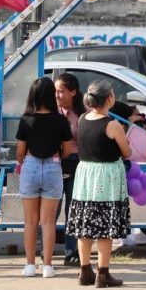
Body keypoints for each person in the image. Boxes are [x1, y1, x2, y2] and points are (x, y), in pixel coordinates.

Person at [66, 80, 132, 288]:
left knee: (85, 225)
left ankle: (85, 270)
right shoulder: (112, 124)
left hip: (85, 175)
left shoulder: (84, 118)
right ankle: (103, 274)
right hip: (106, 176)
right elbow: (127, 152)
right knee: (105, 226)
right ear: (109, 98)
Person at [16, 77, 73, 278]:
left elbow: (20, 152)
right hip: (53, 166)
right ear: (50, 95)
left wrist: (26, 158)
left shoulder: (26, 119)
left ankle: (30, 265)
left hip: (30, 166)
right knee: (48, 222)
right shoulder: (60, 120)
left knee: (30, 221)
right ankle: (47, 266)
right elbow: (67, 150)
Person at [55, 73, 85, 266]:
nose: (57, 95)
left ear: (73, 92)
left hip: (78, 163)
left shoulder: (83, 113)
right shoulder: (53, 113)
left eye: (61, 91)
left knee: (73, 208)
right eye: (55, 91)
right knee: (52, 209)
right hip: (56, 163)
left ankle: (71, 251)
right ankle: (45, 250)